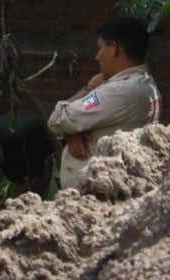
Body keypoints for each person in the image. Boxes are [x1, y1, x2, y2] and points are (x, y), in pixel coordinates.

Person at [47, 15, 161, 190]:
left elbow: (58, 118)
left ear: (114, 48)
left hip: (99, 194)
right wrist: (74, 131)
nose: (97, 57)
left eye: (100, 48)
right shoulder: (145, 83)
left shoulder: (119, 92)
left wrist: (89, 87)